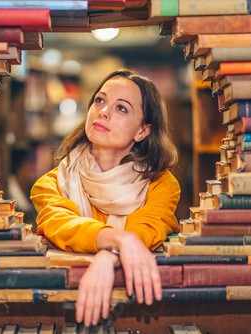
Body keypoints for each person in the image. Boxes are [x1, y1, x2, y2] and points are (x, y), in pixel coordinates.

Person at [30, 69, 180, 327]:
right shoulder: (51, 183)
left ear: (143, 131)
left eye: (122, 108)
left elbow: (147, 228)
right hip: (61, 313)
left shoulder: (161, 184)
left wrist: (108, 255)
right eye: (100, 100)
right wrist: (121, 239)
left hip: (138, 319)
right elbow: (62, 225)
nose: (103, 111)